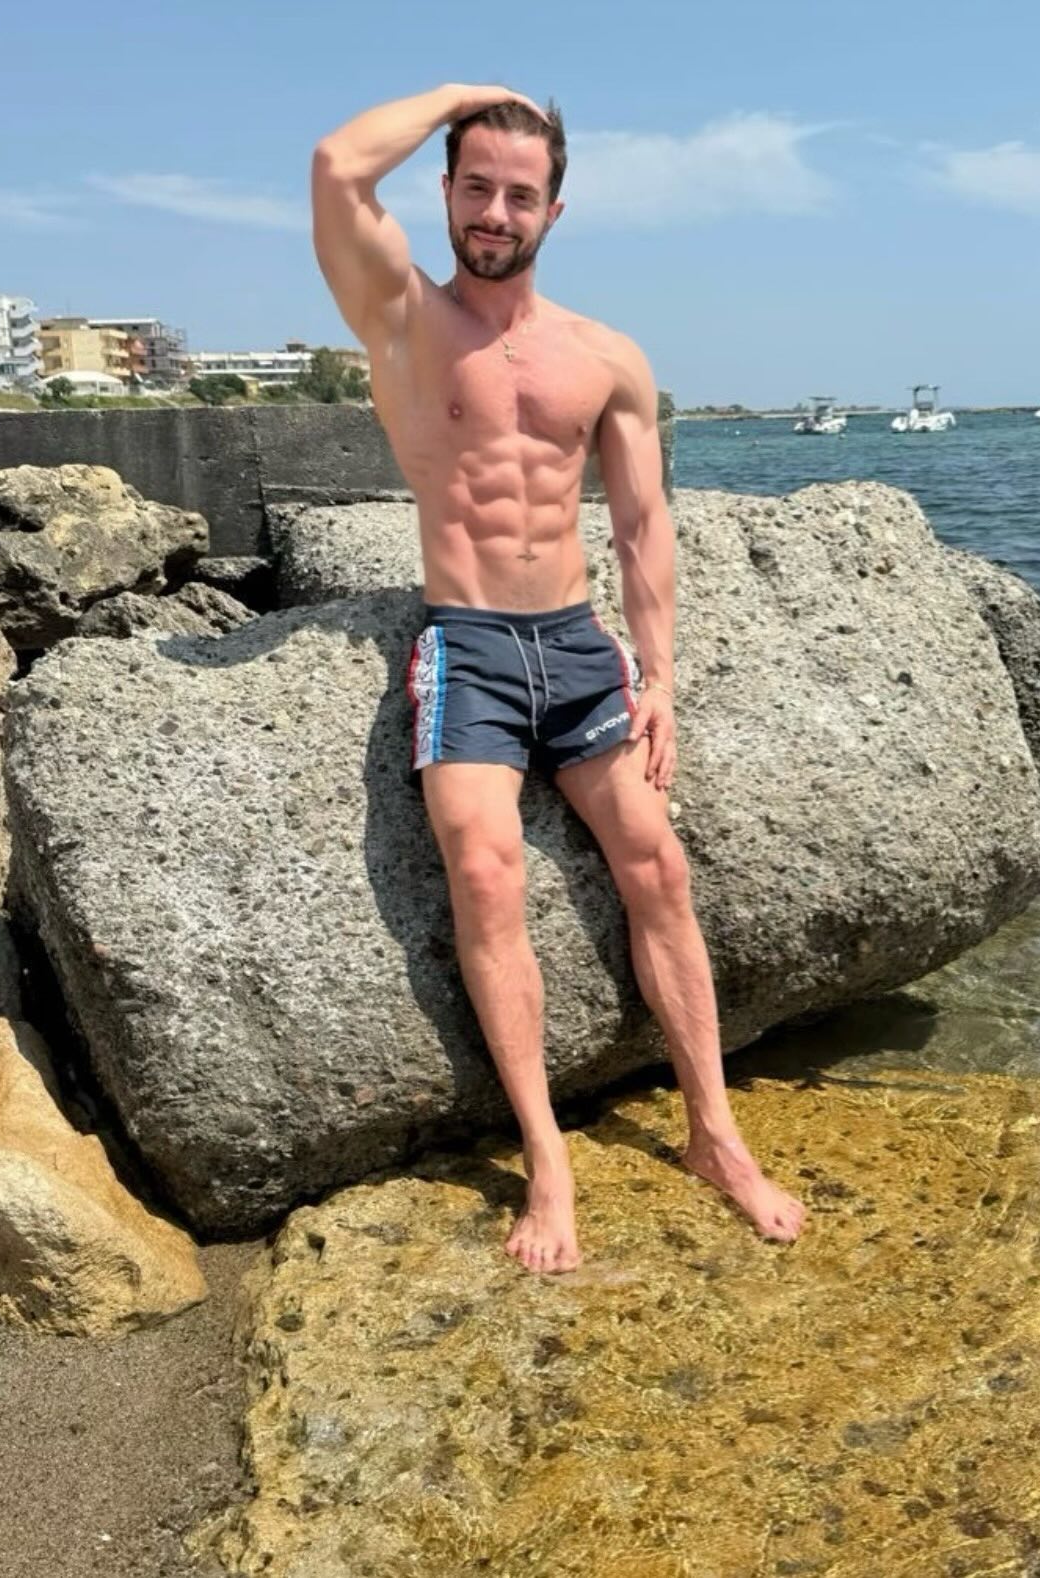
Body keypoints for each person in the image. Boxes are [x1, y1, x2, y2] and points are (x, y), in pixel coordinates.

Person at [311, 83, 806, 1273]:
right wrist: (468, 92)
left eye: (519, 194)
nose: (495, 212)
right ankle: (548, 1161)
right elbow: (336, 165)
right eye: (476, 187)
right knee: (487, 874)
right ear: (445, 194)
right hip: (470, 646)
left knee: (659, 866)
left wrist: (660, 676)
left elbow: (642, 526)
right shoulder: (401, 317)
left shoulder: (604, 356)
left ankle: (714, 1133)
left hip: (580, 648)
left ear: (554, 211)